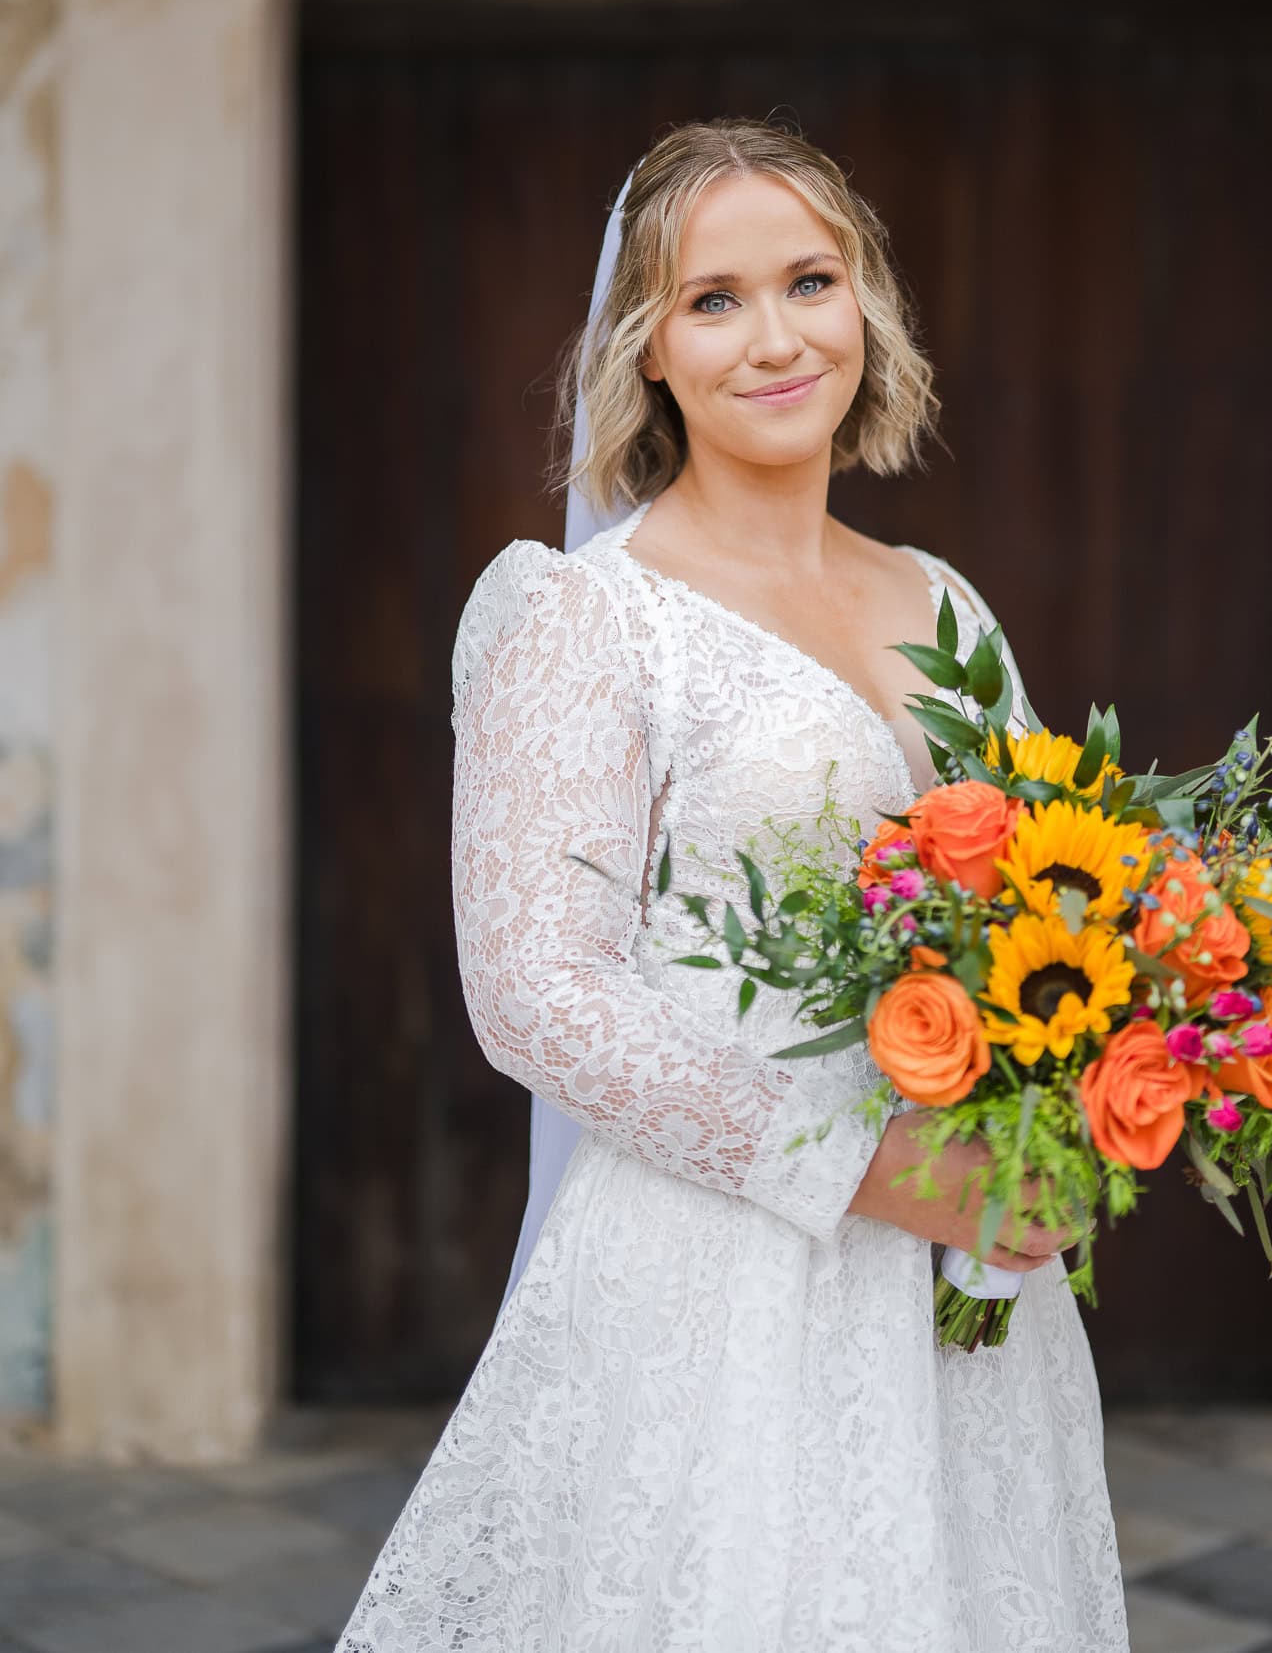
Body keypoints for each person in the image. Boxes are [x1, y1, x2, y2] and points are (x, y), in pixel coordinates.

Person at [336, 119, 1127, 1652]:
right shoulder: (586, 619)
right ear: (644, 349)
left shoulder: (941, 599)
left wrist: (1076, 1102)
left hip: (964, 1281)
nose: (776, 336)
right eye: (714, 298)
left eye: (811, 280)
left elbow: (1061, 901)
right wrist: (868, 1161)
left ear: (866, 307)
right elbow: (537, 996)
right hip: (720, 1284)